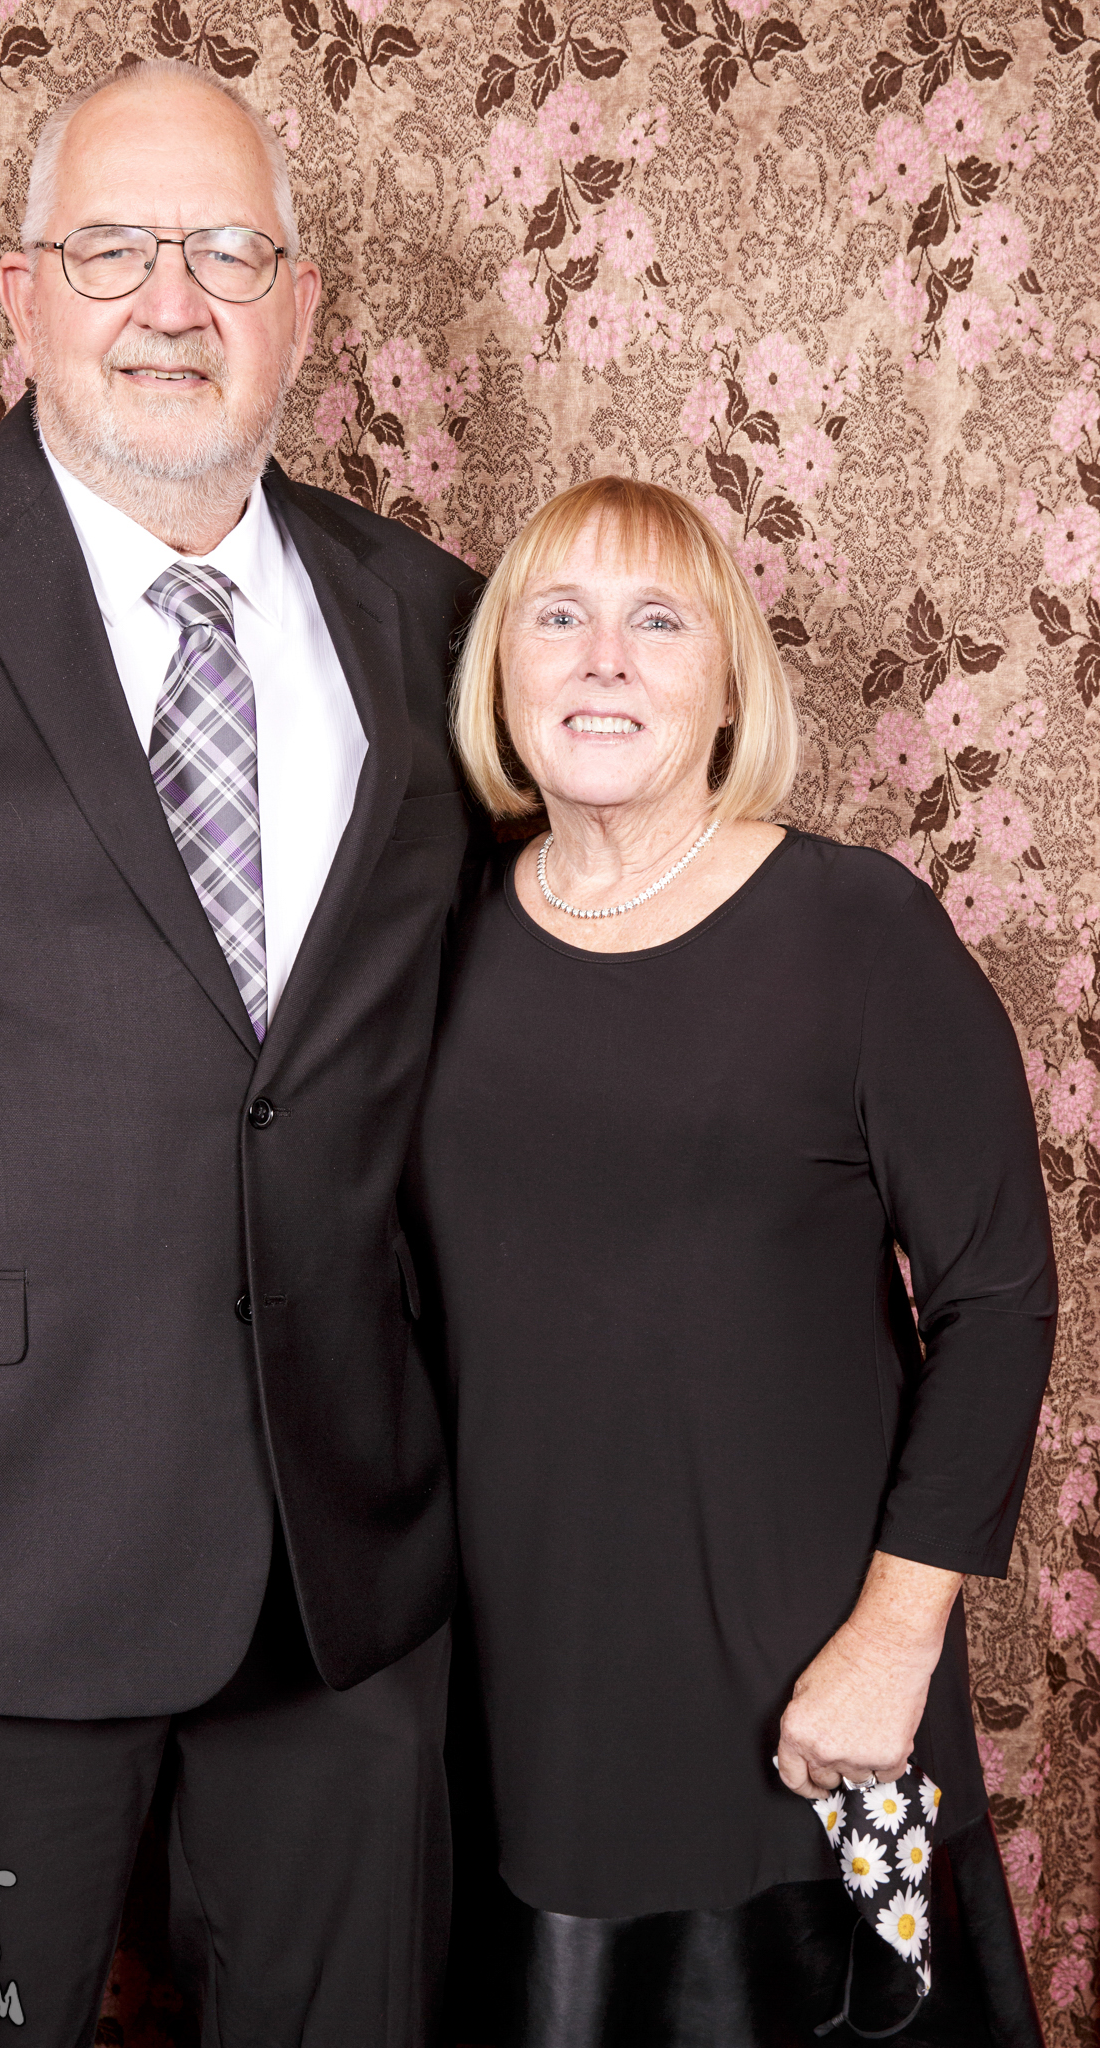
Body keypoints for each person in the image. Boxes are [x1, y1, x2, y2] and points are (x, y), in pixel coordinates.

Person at [0, 58, 480, 2048]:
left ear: (299, 306)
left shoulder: (433, 620)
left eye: (227, 251)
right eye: (113, 249)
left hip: (345, 1596)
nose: (172, 301)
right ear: (20, 292)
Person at [409, 476, 1055, 2046]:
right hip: (524, 1700)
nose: (601, 661)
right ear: (500, 676)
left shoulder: (855, 930)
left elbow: (996, 1301)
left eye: (655, 622)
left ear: (723, 685)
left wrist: (889, 1649)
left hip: (806, 1689)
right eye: (556, 618)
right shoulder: (432, 936)